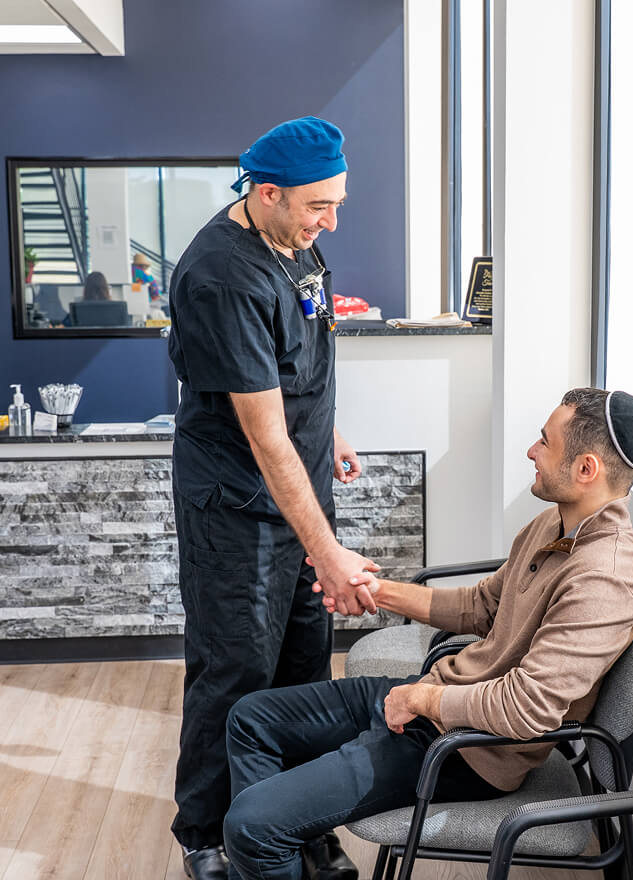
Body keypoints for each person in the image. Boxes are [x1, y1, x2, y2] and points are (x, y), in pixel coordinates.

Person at [221, 388, 633, 880]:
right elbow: (480, 606)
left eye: (544, 442)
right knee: (250, 719)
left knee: (251, 826)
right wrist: (375, 590)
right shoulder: (552, 525)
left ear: (586, 469)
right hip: (437, 699)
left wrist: (423, 701)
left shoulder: (607, 578)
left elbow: (527, 709)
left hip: (467, 750)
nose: (531, 451)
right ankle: (295, 855)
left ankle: (271, 846)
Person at [167, 117, 379, 880]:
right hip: (237, 506)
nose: (332, 221)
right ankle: (207, 835)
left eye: (338, 203)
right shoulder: (221, 276)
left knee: (302, 668)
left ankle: (288, 818)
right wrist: (330, 556)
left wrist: (330, 431)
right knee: (235, 671)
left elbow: (296, 362)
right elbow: (261, 434)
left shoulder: (293, 239)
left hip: (296, 488)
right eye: (320, 206)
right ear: (265, 194)